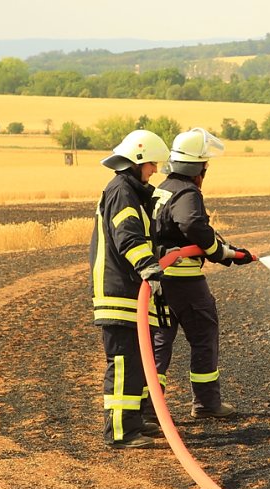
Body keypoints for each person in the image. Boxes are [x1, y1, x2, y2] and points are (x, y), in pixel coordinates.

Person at [148, 127, 257, 423]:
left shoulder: (163, 188)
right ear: (197, 168)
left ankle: (149, 411)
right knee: (204, 338)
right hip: (185, 284)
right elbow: (192, 224)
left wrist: (228, 251)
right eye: (205, 166)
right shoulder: (187, 192)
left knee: (158, 345)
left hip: (158, 283)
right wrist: (218, 252)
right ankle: (207, 403)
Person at [90, 129, 170, 449]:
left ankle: (134, 422)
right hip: (119, 293)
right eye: (151, 164)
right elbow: (128, 237)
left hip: (130, 293)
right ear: (137, 160)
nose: (154, 171)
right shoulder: (122, 191)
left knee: (137, 361)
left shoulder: (132, 192)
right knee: (124, 363)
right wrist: (149, 267)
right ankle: (120, 432)